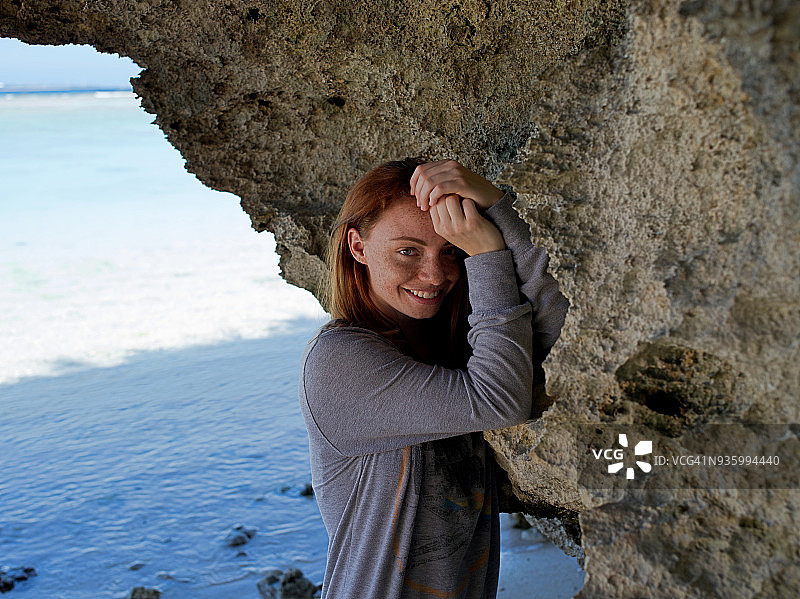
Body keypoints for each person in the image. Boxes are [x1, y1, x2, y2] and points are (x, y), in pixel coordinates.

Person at [298, 158, 569, 598]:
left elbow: (558, 324)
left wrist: (497, 207)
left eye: (452, 251)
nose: (436, 274)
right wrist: (486, 255)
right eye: (407, 251)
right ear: (358, 246)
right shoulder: (338, 361)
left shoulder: (454, 347)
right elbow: (500, 399)